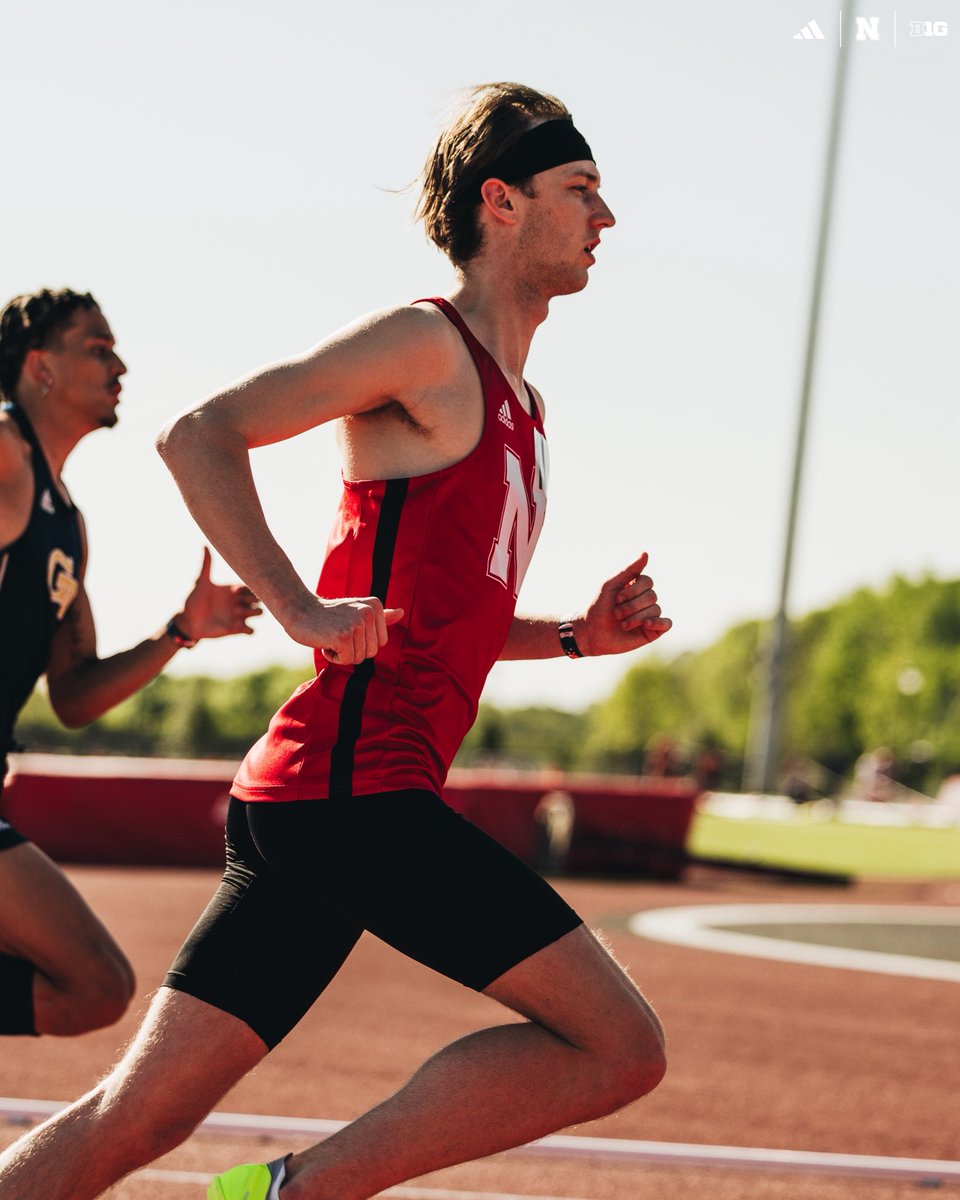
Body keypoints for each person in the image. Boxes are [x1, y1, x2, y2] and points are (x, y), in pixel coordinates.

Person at [0, 83, 671, 1200]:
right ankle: (287, 1194)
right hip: (355, 796)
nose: (607, 218)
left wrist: (571, 636)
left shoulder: (524, 405)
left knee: (135, 1118)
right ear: (501, 204)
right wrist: (304, 610)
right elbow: (199, 434)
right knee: (620, 1046)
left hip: (317, 802)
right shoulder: (425, 342)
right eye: (583, 191)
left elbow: (438, 618)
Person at [0, 288, 261, 1039]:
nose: (120, 364)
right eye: (98, 347)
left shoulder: (66, 523)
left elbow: (74, 696)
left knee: (95, 990)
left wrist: (180, 632)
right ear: (39, 366)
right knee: (92, 983)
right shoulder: (4, 456)